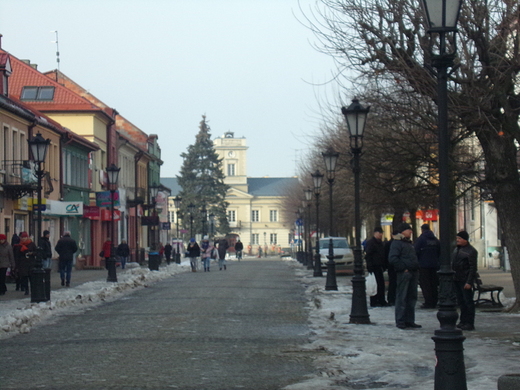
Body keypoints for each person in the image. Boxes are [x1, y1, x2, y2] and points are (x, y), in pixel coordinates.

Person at [389, 223, 421, 329]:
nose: (411, 232)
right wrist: (403, 268)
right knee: (402, 297)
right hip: (404, 273)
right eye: (409, 230)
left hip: (413, 272)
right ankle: (401, 320)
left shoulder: (407, 243)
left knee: (411, 297)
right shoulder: (397, 243)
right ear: (403, 231)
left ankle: (409, 320)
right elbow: (393, 258)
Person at [452, 230, 478, 331]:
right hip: (457, 278)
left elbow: (472, 268)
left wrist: (469, 282)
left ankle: (469, 322)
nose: (457, 240)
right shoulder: (457, 250)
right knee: (461, 302)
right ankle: (463, 321)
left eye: (459, 238)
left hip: (464, 279)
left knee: (468, 302)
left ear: (465, 240)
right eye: (457, 238)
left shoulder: (471, 251)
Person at [414, 224, 440, 309]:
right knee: (434, 284)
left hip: (423, 265)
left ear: (422, 230)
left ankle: (428, 302)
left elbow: (415, 251)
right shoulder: (435, 240)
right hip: (435, 265)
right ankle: (434, 301)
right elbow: (440, 251)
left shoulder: (421, 239)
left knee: (425, 285)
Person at [365, 227, 388, 307]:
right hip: (374, 266)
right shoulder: (371, 243)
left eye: (381, 233)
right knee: (375, 284)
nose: (381, 234)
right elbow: (368, 255)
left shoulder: (380, 243)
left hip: (379, 266)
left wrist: (384, 265)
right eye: (379, 233)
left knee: (381, 284)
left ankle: (381, 300)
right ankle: (374, 301)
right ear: (375, 233)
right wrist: (370, 266)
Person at [384, 230, 398, 306]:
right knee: (393, 283)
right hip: (392, 266)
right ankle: (392, 298)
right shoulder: (390, 244)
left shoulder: (389, 243)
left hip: (392, 266)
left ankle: (392, 298)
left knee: (393, 283)